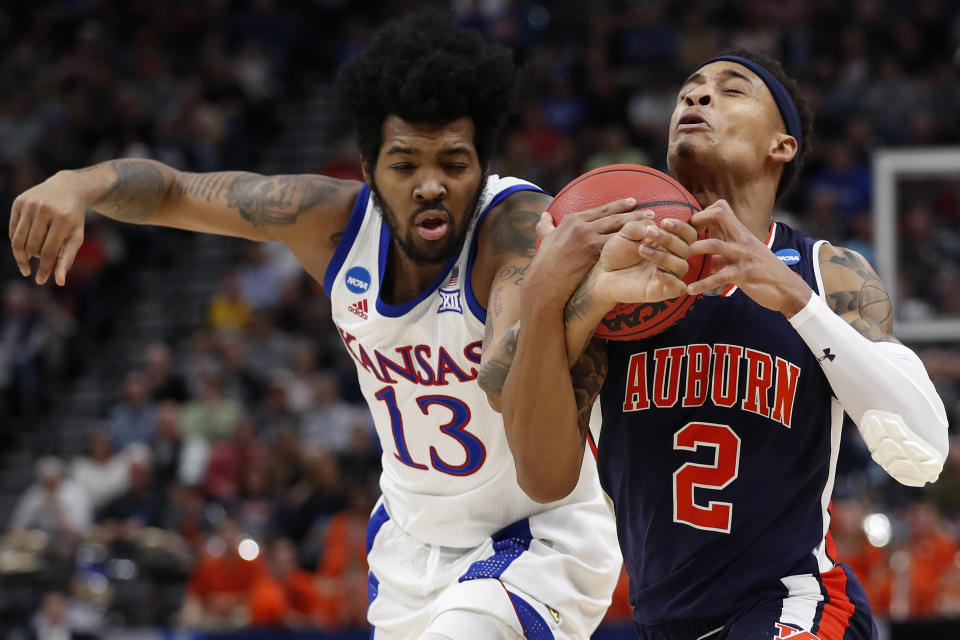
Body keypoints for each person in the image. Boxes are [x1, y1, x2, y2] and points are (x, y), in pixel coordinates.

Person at [8, 12, 693, 639]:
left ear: (483, 166)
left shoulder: (512, 231)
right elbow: (177, 191)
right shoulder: (331, 220)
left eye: (453, 164)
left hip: (532, 539)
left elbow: (503, 370)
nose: (430, 185)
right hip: (408, 541)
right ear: (368, 170)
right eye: (405, 165)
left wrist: (568, 305)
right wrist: (79, 182)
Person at [497, 51, 950, 639]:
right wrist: (548, 301)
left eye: (731, 90)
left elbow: (925, 453)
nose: (696, 98)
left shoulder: (825, 271)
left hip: (795, 605)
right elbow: (543, 477)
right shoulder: (610, 289)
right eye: (688, 91)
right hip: (664, 621)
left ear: (781, 145)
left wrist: (796, 300)